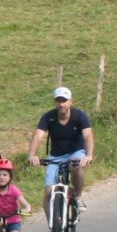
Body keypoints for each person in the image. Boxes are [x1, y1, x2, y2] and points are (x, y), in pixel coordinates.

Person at [27, 85, 94, 213]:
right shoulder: (48, 117)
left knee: (76, 164)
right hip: (56, 155)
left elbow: (88, 136)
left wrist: (89, 155)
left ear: (70, 102)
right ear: (55, 102)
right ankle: (53, 229)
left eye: (64, 101)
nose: (61, 104)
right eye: (58, 101)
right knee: (48, 193)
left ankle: (78, 196)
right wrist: (32, 154)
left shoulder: (80, 116)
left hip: (76, 152)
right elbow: (38, 135)